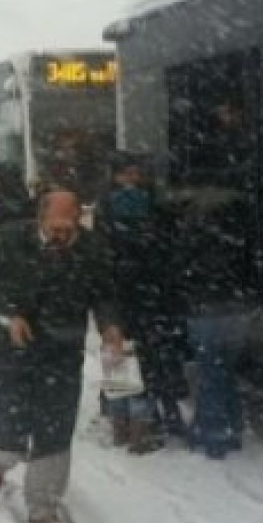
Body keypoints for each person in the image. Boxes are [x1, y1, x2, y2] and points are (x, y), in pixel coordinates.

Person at [0, 189, 124, 523]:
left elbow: (104, 293)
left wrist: (111, 327)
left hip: (62, 351)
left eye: (69, 228)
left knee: (55, 428)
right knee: (8, 420)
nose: (62, 235)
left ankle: (43, 508)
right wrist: (10, 316)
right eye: (56, 228)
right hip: (12, 349)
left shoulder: (91, 248)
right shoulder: (9, 241)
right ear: (40, 218)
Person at [93, 152, 187, 453]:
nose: (131, 180)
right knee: (145, 358)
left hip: (120, 291)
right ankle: (140, 427)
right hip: (146, 292)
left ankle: (121, 422)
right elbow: (166, 244)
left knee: (120, 352)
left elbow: (102, 249)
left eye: (134, 174)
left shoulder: (105, 204)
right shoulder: (154, 204)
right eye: (127, 174)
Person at [177, 194, 257, 458]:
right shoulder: (238, 232)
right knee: (225, 370)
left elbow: (186, 269)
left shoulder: (195, 238)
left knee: (210, 372)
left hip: (206, 309)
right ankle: (232, 427)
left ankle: (212, 434)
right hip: (237, 311)